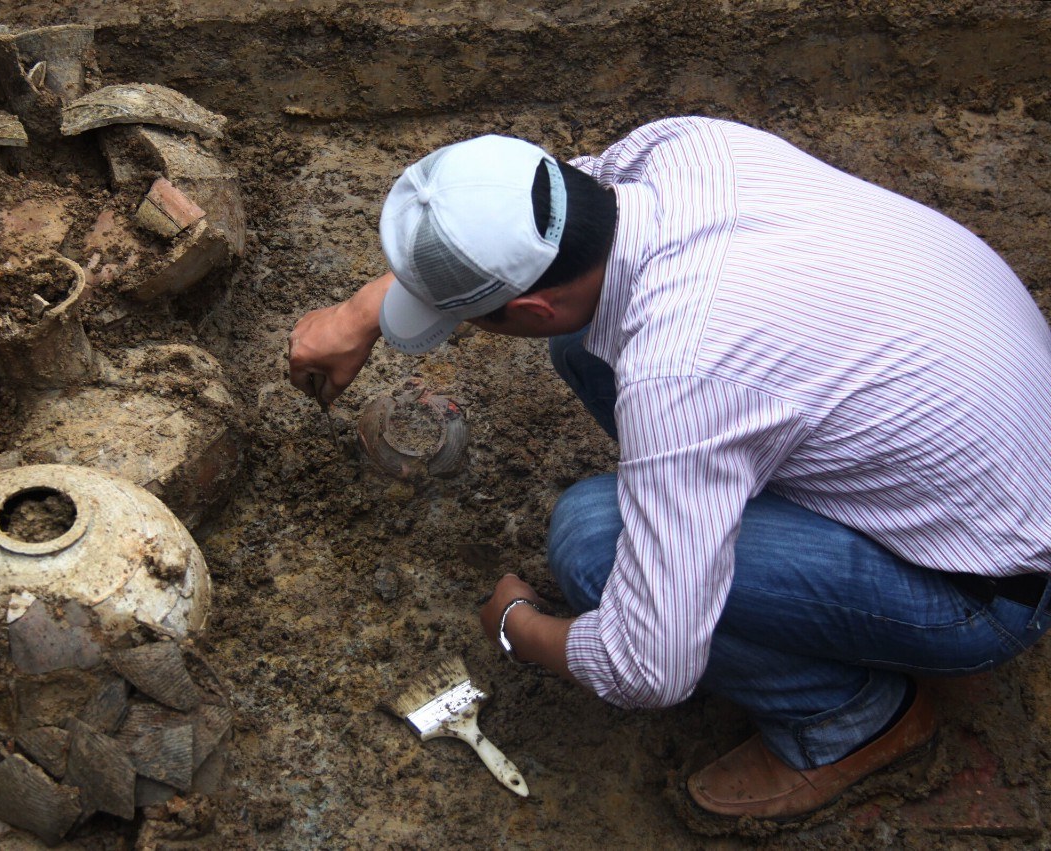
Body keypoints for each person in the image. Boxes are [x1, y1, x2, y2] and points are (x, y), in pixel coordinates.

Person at [286, 117, 1051, 821]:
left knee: (593, 543)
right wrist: (363, 310)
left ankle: (848, 720)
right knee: (587, 344)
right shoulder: (678, 149)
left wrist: (517, 628)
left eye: (468, 321)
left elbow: (647, 666)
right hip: (989, 442)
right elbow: (545, 242)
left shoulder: (679, 372)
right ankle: (726, 531)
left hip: (990, 586)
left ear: (527, 310)